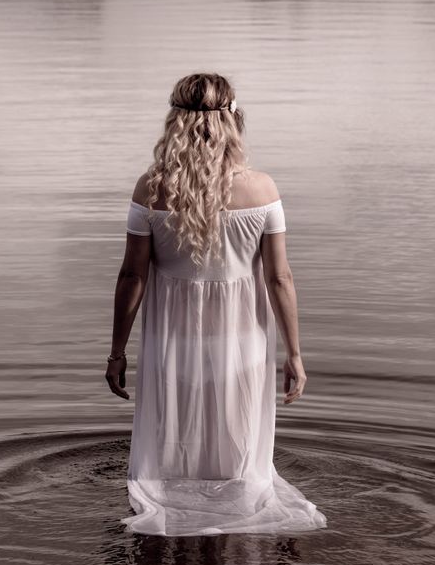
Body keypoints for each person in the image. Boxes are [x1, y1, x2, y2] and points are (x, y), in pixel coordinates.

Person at [105, 72, 328, 537]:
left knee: (174, 453)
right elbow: (279, 278)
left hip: (173, 339)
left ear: (173, 121)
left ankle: (176, 522)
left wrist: (117, 352)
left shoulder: (150, 189)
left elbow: (133, 276)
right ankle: (233, 523)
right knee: (236, 450)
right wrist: (296, 355)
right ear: (234, 120)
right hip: (243, 338)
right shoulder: (263, 189)